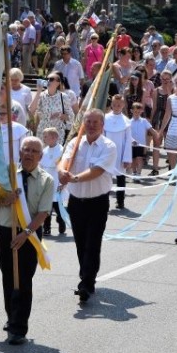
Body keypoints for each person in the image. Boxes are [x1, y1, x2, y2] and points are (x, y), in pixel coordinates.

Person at [0, 137, 53, 345]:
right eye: (26, 149)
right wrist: (4, 200)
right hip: (5, 233)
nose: (29, 154)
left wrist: (25, 233)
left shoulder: (46, 180)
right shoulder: (7, 175)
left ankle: (19, 327)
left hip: (29, 235)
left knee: (23, 281)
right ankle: (11, 317)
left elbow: (43, 212)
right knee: (8, 277)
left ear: (40, 156)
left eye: (34, 151)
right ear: (20, 152)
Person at [58, 109, 119, 303]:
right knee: (81, 243)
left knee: (92, 243)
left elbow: (97, 170)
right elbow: (64, 162)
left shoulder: (108, 146)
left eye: (95, 122)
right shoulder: (75, 143)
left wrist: (74, 178)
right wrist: (62, 172)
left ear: (102, 125)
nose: (91, 125)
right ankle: (86, 275)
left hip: (97, 202)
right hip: (76, 202)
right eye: (88, 122)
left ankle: (86, 282)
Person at [104, 96, 134, 210]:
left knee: (121, 178)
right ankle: (104, 200)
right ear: (111, 105)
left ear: (123, 105)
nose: (116, 107)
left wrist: (127, 158)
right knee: (106, 178)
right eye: (114, 105)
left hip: (120, 153)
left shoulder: (126, 121)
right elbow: (102, 136)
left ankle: (120, 201)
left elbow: (127, 141)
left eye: (119, 105)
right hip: (107, 153)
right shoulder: (105, 118)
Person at [29, 72, 72, 141]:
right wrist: (38, 91)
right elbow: (31, 110)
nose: (48, 81)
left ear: (58, 83)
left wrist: (60, 115)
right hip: (43, 133)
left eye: (51, 79)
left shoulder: (63, 97)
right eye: (47, 79)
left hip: (57, 134)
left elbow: (70, 117)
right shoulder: (41, 95)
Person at [39, 128, 67, 235]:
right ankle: (47, 228)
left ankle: (61, 222)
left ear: (54, 137)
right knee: (46, 207)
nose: (44, 138)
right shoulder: (44, 151)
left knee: (57, 206)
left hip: (56, 179)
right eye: (44, 136)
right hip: (46, 181)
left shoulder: (61, 150)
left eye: (46, 136)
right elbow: (41, 166)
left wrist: (62, 183)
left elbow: (65, 167)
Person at [128, 102, 155, 179]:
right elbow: (126, 134)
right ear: (131, 111)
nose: (137, 113)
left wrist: (157, 135)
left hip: (141, 144)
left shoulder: (144, 121)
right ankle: (134, 172)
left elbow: (151, 129)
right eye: (135, 111)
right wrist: (131, 140)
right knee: (133, 159)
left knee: (140, 158)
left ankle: (139, 174)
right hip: (131, 144)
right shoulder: (128, 122)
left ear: (141, 111)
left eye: (139, 112)